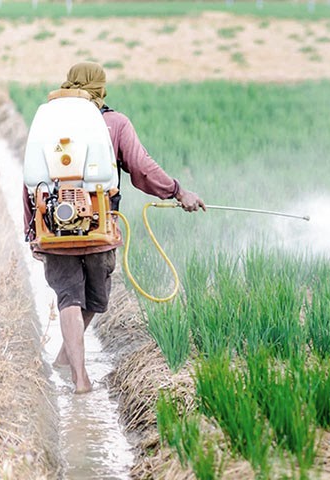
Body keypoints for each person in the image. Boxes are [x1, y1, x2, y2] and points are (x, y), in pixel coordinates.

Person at [22, 62, 205, 394]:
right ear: (101, 88)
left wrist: (31, 231)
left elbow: (30, 180)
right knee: (92, 298)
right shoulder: (114, 122)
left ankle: (69, 366)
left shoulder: (48, 122)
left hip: (52, 228)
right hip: (99, 228)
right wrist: (178, 191)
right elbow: (142, 168)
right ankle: (79, 375)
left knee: (68, 297)